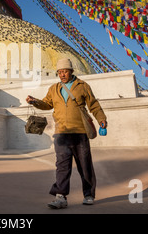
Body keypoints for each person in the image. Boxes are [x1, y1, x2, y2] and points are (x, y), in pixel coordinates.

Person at [26, 58, 107, 209]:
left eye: (65, 71)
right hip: (61, 133)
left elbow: (94, 105)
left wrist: (101, 119)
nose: (62, 74)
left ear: (71, 72)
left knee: (84, 165)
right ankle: (60, 197)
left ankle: (88, 194)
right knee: (62, 166)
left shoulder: (82, 86)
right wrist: (35, 101)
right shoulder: (54, 88)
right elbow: (47, 104)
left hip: (80, 132)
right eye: (60, 72)